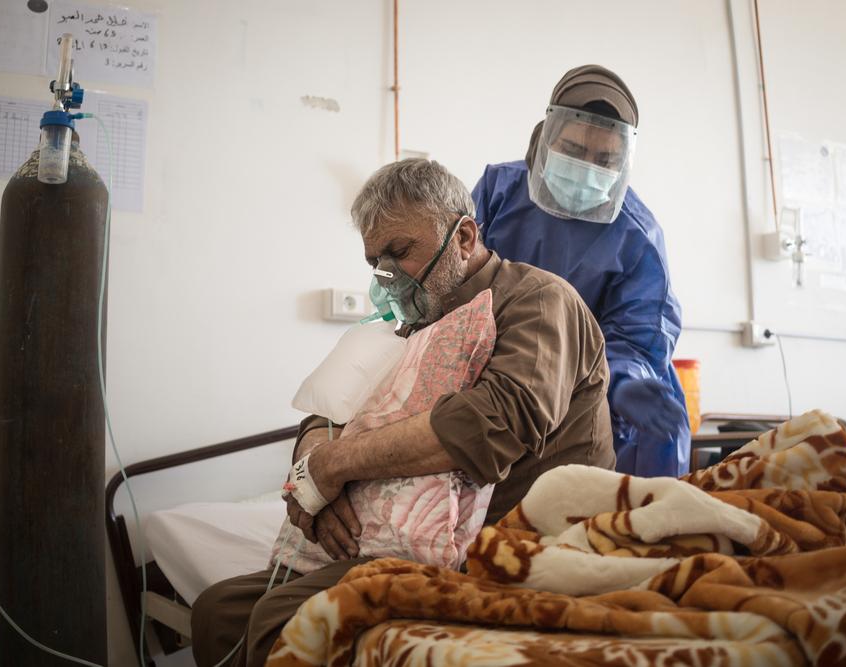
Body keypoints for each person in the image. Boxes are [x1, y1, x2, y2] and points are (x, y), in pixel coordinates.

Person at [191, 158, 615, 666]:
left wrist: (334, 467)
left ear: (463, 237)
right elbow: (329, 413)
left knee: (284, 617)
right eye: (375, 261)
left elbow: (493, 422)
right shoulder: (415, 323)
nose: (386, 275)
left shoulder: (539, 301)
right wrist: (313, 476)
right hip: (392, 540)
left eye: (400, 252)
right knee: (217, 611)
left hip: (509, 542)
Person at [472, 64, 690, 478]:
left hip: (592, 391)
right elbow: (460, 275)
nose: (588, 168)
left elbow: (637, 333)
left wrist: (626, 381)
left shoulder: (636, 235)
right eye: (572, 151)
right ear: (545, 138)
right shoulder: (498, 191)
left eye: (605, 159)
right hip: (496, 373)